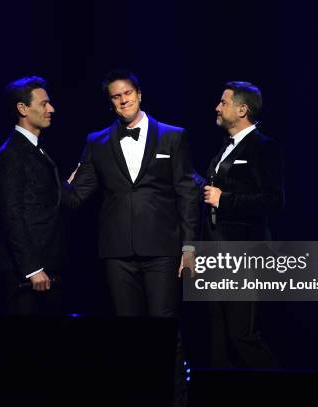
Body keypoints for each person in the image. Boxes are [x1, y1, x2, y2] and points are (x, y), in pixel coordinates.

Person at [63, 69, 199, 406]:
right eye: (115, 96)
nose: (123, 100)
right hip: (117, 250)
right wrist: (55, 182)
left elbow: (186, 193)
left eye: (128, 93)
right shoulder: (97, 141)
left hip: (163, 248)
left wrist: (190, 246)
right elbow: (78, 196)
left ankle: (175, 399)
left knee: (164, 328)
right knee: (127, 331)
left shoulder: (173, 136)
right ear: (110, 102)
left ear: (139, 94)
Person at [201, 80, 285, 367]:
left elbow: (273, 200)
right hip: (215, 254)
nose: (217, 107)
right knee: (218, 337)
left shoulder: (264, 147)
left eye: (223, 102)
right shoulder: (224, 149)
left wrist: (226, 200)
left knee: (241, 334)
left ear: (242, 109)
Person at [0, 76, 64, 315]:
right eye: (44, 104)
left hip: (45, 264)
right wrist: (32, 269)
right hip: (26, 272)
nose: (51, 109)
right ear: (22, 108)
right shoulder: (11, 154)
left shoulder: (35, 149)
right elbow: (12, 214)